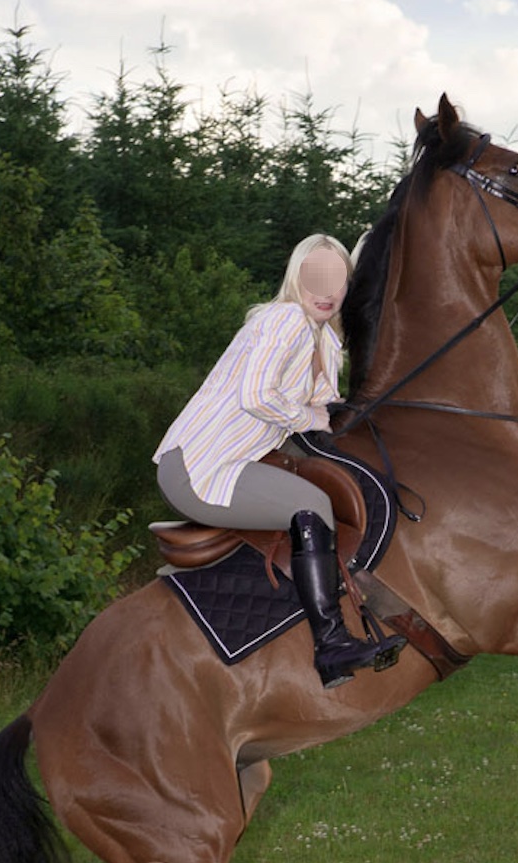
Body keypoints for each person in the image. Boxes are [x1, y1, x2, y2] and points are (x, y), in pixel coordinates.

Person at [154, 233, 405, 689]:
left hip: (239, 461)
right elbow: (257, 397)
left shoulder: (323, 339)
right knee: (311, 505)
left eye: (338, 281)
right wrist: (309, 415)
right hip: (202, 468)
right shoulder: (285, 319)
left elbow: (325, 413)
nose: (326, 292)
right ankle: (331, 646)